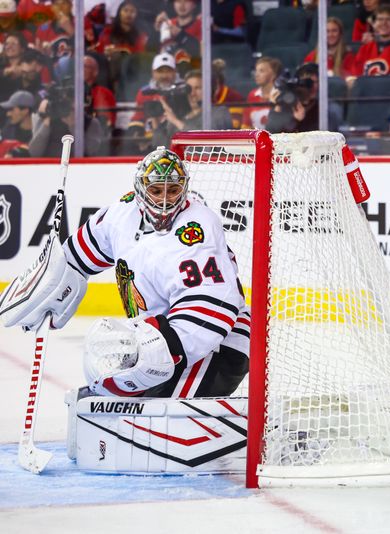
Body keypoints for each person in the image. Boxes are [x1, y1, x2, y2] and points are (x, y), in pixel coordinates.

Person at [1, 146, 250, 400]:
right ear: (140, 190)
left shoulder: (197, 230)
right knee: (99, 399)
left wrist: (152, 353)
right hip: (163, 339)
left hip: (218, 347)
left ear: (183, 189)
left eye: (173, 191)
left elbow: (214, 307)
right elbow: (78, 256)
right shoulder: (121, 215)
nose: (164, 201)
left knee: (128, 403)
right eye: (156, 190)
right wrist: (51, 285)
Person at [347, 4, 390, 84]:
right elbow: (355, 77)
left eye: (389, 20)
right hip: (366, 94)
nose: (384, 23)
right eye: (380, 19)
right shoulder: (365, 49)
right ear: (374, 24)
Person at [243, 56, 281, 129]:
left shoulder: (280, 95)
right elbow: (246, 125)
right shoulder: (252, 95)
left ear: (273, 75)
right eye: (256, 71)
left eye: (261, 71)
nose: (256, 75)